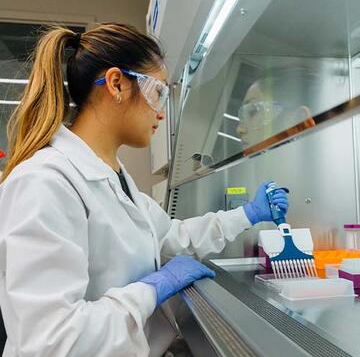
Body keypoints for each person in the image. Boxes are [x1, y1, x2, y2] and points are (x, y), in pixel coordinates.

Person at [0, 23, 289, 357]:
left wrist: (247, 214)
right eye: (158, 92)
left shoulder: (117, 179)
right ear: (117, 84)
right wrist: (150, 291)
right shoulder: (44, 183)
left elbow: (171, 237)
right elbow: (53, 343)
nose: (162, 112)